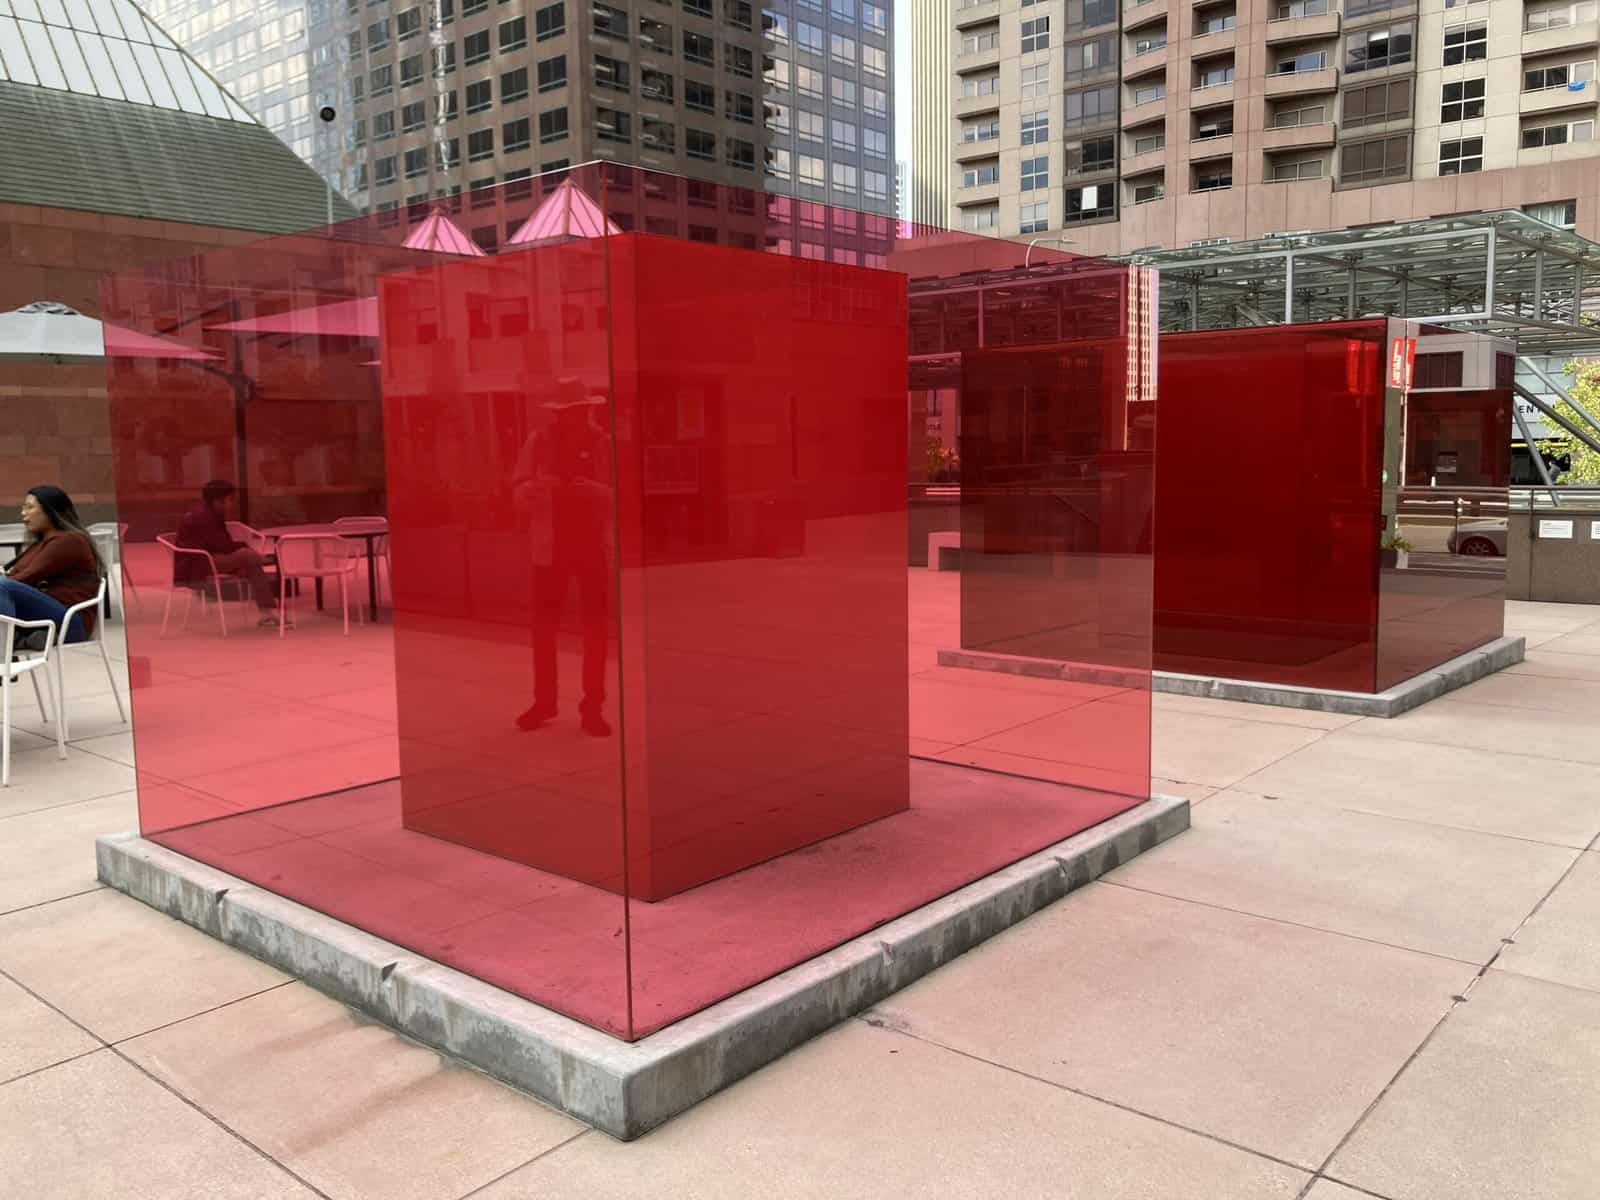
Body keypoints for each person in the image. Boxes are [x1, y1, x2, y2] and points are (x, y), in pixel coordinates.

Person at [511, 388, 614, 737]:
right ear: (559, 412)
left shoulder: (604, 442)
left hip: (592, 545)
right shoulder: (538, 442)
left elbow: (623, 493)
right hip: (550, 547)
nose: (578, 415)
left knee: (595, 630)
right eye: (571, 409)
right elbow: (518, 489)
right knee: (543, 629)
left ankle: (593, 707)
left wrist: (595, 490)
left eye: (581, 409)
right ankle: (545, 702)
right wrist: (535, 489)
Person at [1, 486, 104, 651]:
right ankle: (21, 641)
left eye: (30, 507)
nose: (23, 513)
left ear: (51, 510)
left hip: (71, 624)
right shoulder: (41, 543)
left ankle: (3, 655)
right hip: (49, 618)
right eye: (23, 507)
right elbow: (15, 575)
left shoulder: (68, 541)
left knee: (3, 587)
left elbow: (24, 578)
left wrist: (6, 579)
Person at [175, 480, 278, 624]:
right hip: (197, 564)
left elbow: (223, 544)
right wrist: (245, 550)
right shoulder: (202, 517)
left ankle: (267, 614)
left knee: (251, 563)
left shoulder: (212, 513)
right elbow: (224, 545)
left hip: (209, 557)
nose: (233, 504)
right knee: (247, 556)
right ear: (218, 501)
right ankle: (264, 561)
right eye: (230, 500)